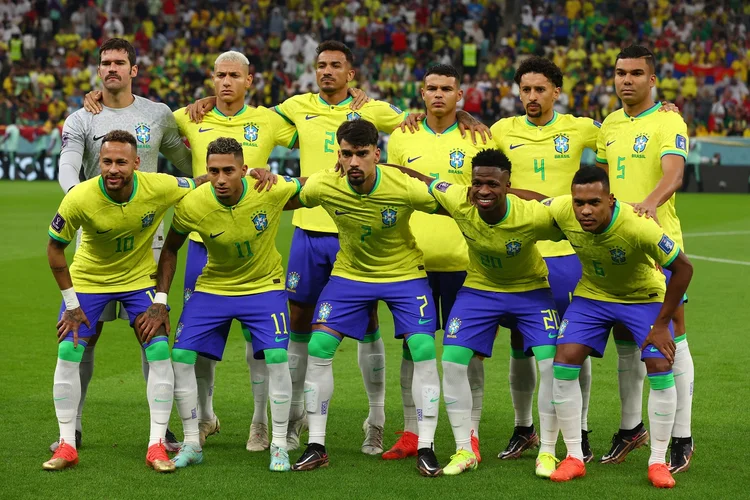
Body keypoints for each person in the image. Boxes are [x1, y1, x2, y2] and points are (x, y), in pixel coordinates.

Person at [51, 37, 193, 454]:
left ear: (134, 69)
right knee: (84, 337)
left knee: (152, 332)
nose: (112, 68)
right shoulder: (80, 118)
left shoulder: (158, 114)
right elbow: (67, 164)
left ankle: (162, 430)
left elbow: (187, 164)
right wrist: (78, 196)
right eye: (105, 63)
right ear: (98, 70)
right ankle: (71, 427)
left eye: (119, 62)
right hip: (95, 237)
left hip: (148, 239)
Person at [388, 148, 566, 478]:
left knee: (550, 363)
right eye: (477, 183)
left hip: (530, 291)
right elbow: (424, 181)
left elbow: (577, 219)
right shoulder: (459, 199)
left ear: (508, 184)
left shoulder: (532, 214)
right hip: (480, 289)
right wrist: (382, 164)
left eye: (493, 185)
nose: (484, 191)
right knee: (453, 360)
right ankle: (465, 449)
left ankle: (547, 452)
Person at [287, 119, 443, 476]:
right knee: (319, 347)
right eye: (346, 154)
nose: (353, 162)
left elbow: (454, 203)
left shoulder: (403, 186)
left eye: (361, 154)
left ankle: (426, 445)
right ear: (337, 155)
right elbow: (281, 195)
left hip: (404, 274)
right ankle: (317, 444)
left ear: (377, 154)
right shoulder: (326, 184)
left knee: (421, 349)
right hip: (350, 275)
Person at [43, 130, 204, 472]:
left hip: (138, 279)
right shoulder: (80, 197)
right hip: (89, 278)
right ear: (98, 163)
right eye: (106, 162)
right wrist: (71, 304)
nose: (113, 169)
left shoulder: (159, 185)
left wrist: (161, 300)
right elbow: (55, 247)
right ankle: (67, 445)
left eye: (120, 162)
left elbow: (202, 182)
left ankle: (157, 446)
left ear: (136, 163)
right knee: (68, 349)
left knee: (159, 349)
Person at [139, 137, 303, 472]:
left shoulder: (268, 189)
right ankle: (191, 442)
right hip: (213, 287)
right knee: (181, 356)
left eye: (229, 170)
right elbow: (170, 249)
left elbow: (311, 186)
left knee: (276, 356)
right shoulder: (193, 204)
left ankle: (279, 444)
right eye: (213, 171)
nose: (221, 178)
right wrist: (160, 299)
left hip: (263, 287)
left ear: (244, 169)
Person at [546, 166, 693, 489]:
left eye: (594, 202)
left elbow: (683, 268)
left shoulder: (638, 226)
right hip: (593, 295)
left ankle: (657, 461)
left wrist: (662, 324)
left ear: (610, 200)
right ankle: (573, 456)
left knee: (659, 362)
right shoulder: (563, 210)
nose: (585, 210)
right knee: (564, 359)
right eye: (579, 202)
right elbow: (531, 202)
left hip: (643, 297)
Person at [490, 55, 598, 463]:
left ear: (557, 91)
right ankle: (524, 428)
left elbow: (621, 134)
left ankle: (580, 431)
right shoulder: (502, 130)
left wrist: (666, 107)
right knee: (520, 342)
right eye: (525, 90)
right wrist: (463, 112)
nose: (531, 97)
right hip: (518, 251)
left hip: (566, 252)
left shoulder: (580, 128)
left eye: (539, 89)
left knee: (573, 344)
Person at [596, 45, 695, 472]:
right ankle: (631, 427)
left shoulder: (669, 119)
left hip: (658, 242)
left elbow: (674, 173)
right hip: (616, 246)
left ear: (652, 80)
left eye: (637, 73)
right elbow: (602, 180)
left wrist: (650, 204)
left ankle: (682, 436)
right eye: (621, 73)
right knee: (625, 341)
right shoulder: (610, 124)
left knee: (673, 337)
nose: (627, 80)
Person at [383, 63, 485, 461]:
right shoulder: (402, 136)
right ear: (421, 93)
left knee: (469, 352)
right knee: (414, 350)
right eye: (431, 88)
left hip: (466, 261)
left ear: (460, 96)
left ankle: (471, 434)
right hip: (414, 264)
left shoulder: (478, 135)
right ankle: (411, 432)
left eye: (447, 88)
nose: (438, 94)